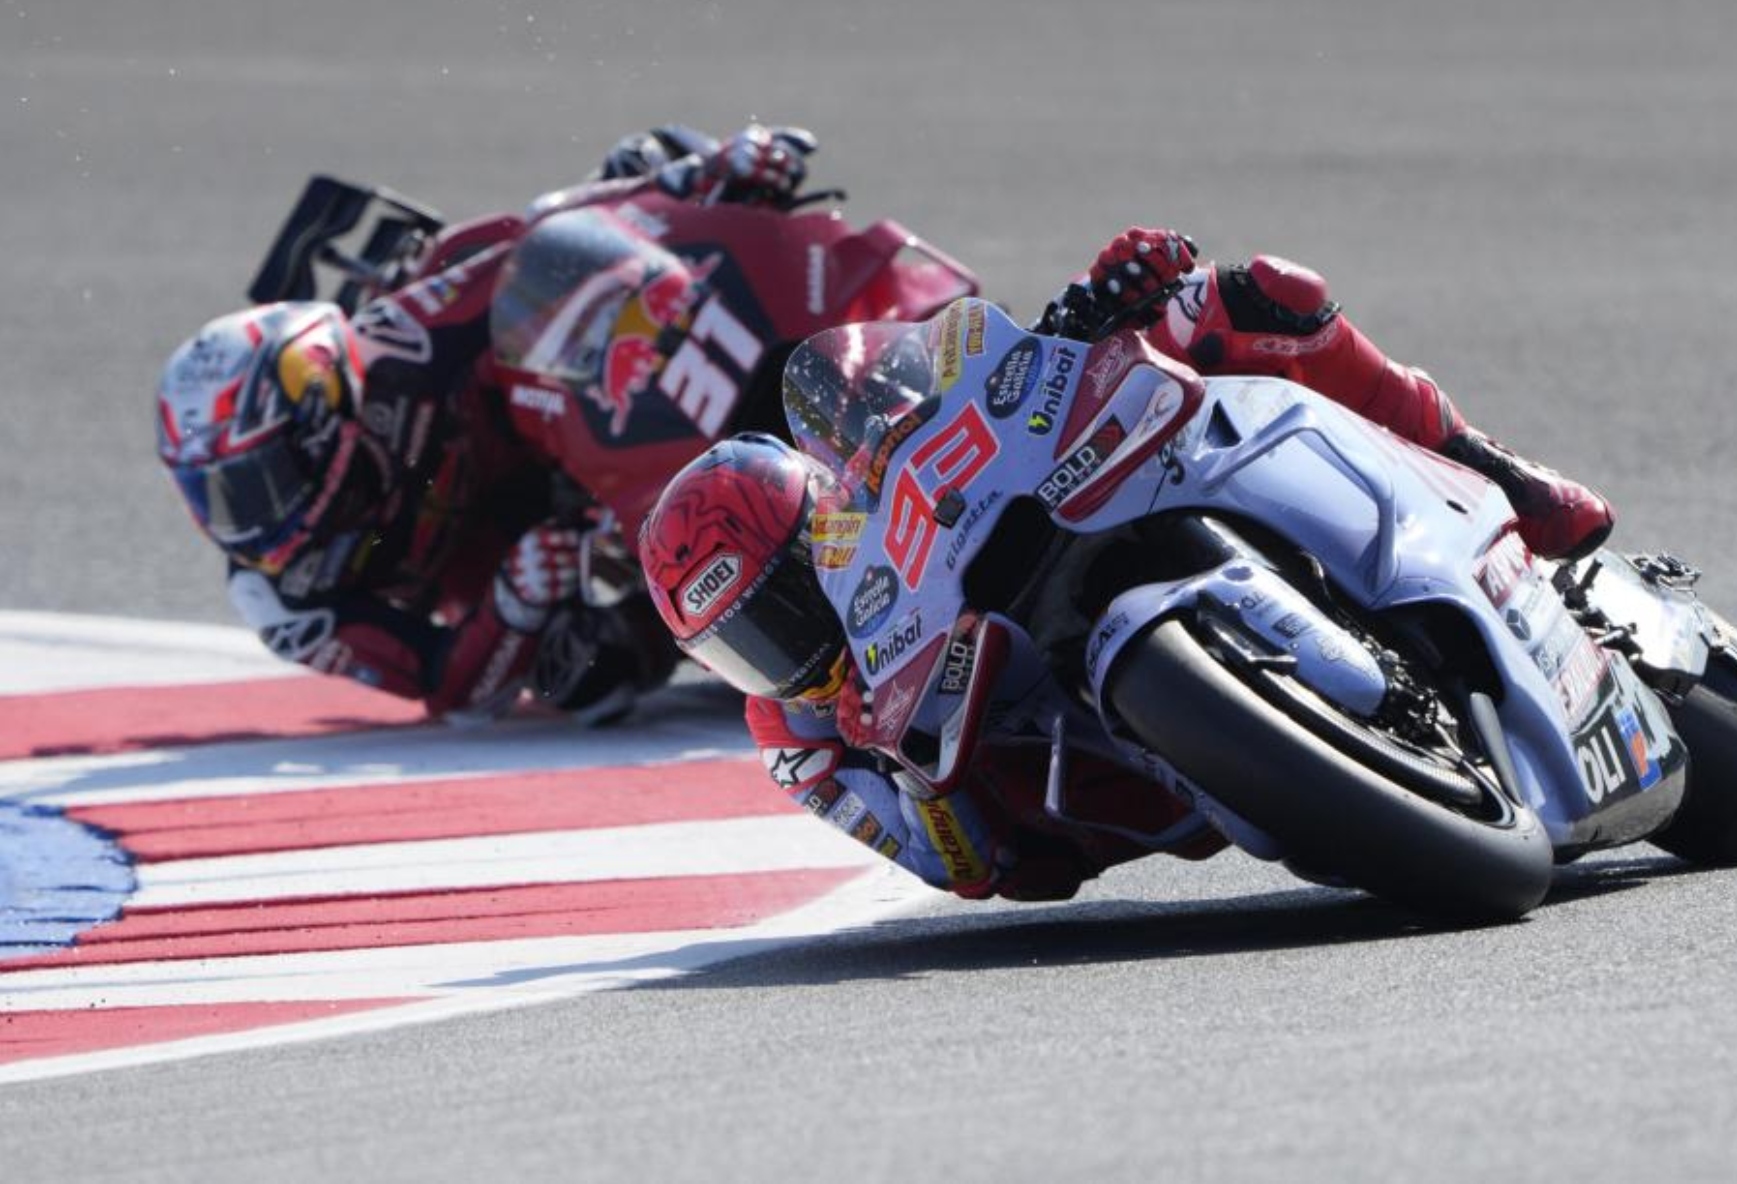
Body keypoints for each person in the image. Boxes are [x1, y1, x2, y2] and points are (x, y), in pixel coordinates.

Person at [639, 226, 1614, 900]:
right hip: (1085, 790)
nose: (790, 652)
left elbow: (961, 410)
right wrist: (918, 779)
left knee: (1249, 297)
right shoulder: (794, 738)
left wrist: (1096, 312)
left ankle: (1489, 469)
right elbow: (966, 871)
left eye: (793, 605)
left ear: (826, 531)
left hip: (1048, 555)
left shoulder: (875, 505)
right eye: (747, 647)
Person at [155, 123, 819, 722]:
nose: (238, 520)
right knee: (583, 676)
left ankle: (813, 308)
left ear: (317, 424)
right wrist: (514, 601)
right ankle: (767, 618)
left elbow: (531, 244)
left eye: (252, 484)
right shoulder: (279, 597)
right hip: (527, 555)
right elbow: (446, 688)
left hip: (596, 425)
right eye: (211, 494)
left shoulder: (404, 340)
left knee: (640, 173)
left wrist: (681, 182)